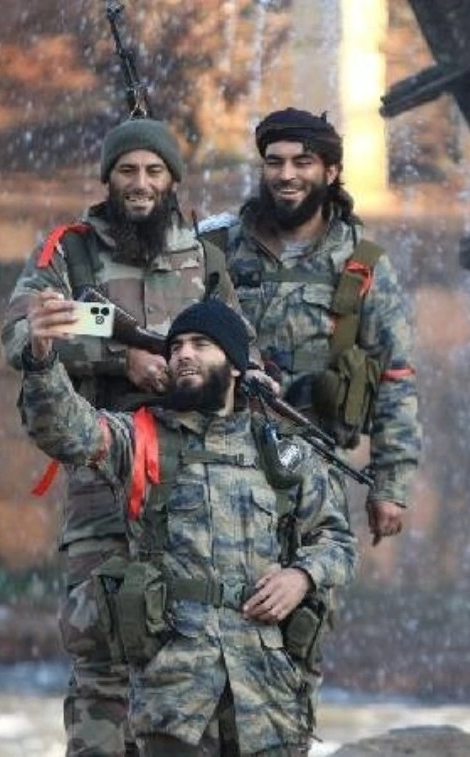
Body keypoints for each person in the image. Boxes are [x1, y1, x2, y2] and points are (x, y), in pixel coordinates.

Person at [1, 118, 246, 756]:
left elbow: (240, 351)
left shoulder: (203, 260)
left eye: (154, 171)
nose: (140, 184)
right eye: (128, 171)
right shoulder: (70, 254)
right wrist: (121, 359)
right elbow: (21, 335)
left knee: (191, 641)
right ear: (108, 178)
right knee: (101, 643)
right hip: (103, 470)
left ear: (172, 180)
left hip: (194, 481)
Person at [20, 296, 358, 756]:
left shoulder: (280, 450)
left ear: (235, 366)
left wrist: (302, 576)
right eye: (176, 346)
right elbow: (65, 430)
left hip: (266, 698)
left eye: (201, 344)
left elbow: (337, 540)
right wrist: (41, 358)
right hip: (176, 699)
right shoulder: (140, 437)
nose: (183, 354)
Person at [215, 107, 421, 546]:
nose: (286, 175)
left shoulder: (361, 263)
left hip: (315, 469)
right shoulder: (220, 249)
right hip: (220, 466)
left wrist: (390, 485)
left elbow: (395, 376)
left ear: (331, 172)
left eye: (302, 162)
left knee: (313, 582)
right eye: (274, 162)